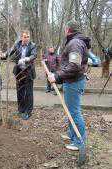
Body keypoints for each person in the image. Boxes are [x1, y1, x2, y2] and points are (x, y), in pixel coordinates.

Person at [47, 20, 91, 151]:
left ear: (68, 30)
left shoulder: (75, 43)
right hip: (72, 81)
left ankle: (79, 141)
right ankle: (72, 135)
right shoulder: (75, 42)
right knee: (70, 111)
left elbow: (74, 66)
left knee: (74, 112)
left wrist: (56, 76)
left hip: (74, 82)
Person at [0, 30, 37, 120]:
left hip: (28, 72)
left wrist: (26, 59)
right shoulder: (17, 44)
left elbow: (34, 55)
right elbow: (9, 52)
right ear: (21, 37)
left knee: (28, 93)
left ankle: (28, 112)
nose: (26, 38)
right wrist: (3, 54)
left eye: (27, 37)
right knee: (20, 91)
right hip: (19, 72)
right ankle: (21, 110)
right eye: (24, 36)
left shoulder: (32, 45)